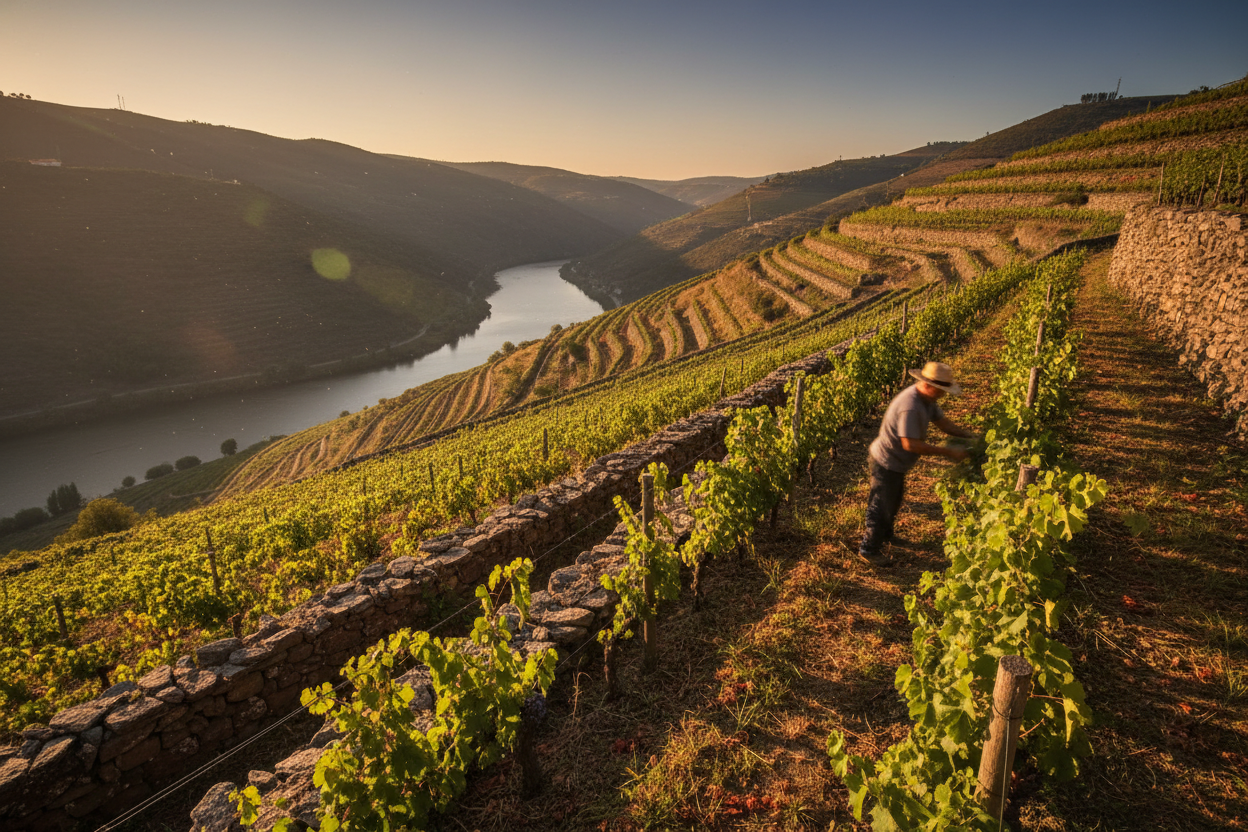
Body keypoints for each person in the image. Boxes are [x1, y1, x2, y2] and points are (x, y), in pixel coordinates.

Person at [859, 361, 976, 565]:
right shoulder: (911, 406)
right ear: (929, 385)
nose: (942, 394)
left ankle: (886, 535)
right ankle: (868, 550)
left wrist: (968, 436)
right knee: (881, 505)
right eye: (940, 390)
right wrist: (948, 452)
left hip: (897, 463)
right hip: (886, 462)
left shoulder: (927, 400)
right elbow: (910, 444)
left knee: (894, 501)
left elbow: (943, 423)